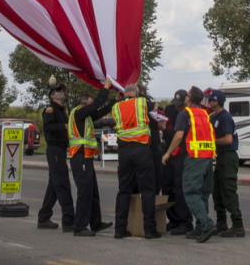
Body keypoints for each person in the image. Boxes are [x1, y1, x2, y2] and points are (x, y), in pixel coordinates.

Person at [162, 86, 216, 242]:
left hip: (194, 157)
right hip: (207, 157)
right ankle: (199, 228)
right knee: (202, 194)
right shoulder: (204, 114)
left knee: (191, 192)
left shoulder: (185, 114)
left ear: (188, 98)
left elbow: (179, 136)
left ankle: (206, 225)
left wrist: (167, 153)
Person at [111, 82, 161, 239]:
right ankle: (149, 229)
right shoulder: (143, 102)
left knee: (124, 190)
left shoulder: (116, 107)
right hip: (141, 149)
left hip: (124, 151)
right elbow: (155, 107)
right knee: (147, 190)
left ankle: (119, 229)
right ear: (137, 93)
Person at [67, 88, 115, 236]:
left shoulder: (85, 116)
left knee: (93, 191)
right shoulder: (79, 112)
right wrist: (105, 88)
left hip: (86, 157)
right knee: (84, 191)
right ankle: (79, 226)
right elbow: (96, 106)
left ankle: (96, 223)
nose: (92, 105)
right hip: (79, 156)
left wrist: (115, 101)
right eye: (90, 103)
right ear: (83, 103)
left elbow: (99, 111)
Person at [204, 90, 245, 237]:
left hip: (228, 156)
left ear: (217, 101)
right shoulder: (214, 116)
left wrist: (212, 142)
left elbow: (228, 139)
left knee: (228, 190)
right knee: (216, 191)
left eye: (211, 100)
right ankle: (221, 223)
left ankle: (238, 224)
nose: (209, 102)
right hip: (220, 157)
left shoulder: (225, 118)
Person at [37, 83, 75, 231]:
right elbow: (47, 128)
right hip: (54, 150)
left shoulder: (61, 110)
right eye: (58, 91)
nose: (61, 93)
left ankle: (44, 217)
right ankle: (68, 220)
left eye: (62, 91)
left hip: (60, 149)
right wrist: (63, 127)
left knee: (54, 185)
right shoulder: (50, 109)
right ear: (52, 95)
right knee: (62, 183)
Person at [162, 89, 192, 235]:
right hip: (170, 154)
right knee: (168, 187)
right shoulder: (171, 110)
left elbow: (179, 135)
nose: (177, 107)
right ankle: (173, 219)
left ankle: (184, 222)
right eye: (176, 104)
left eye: (179, 105)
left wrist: (164, 131)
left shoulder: (188, 114)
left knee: (180, 189)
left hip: (182, 154)